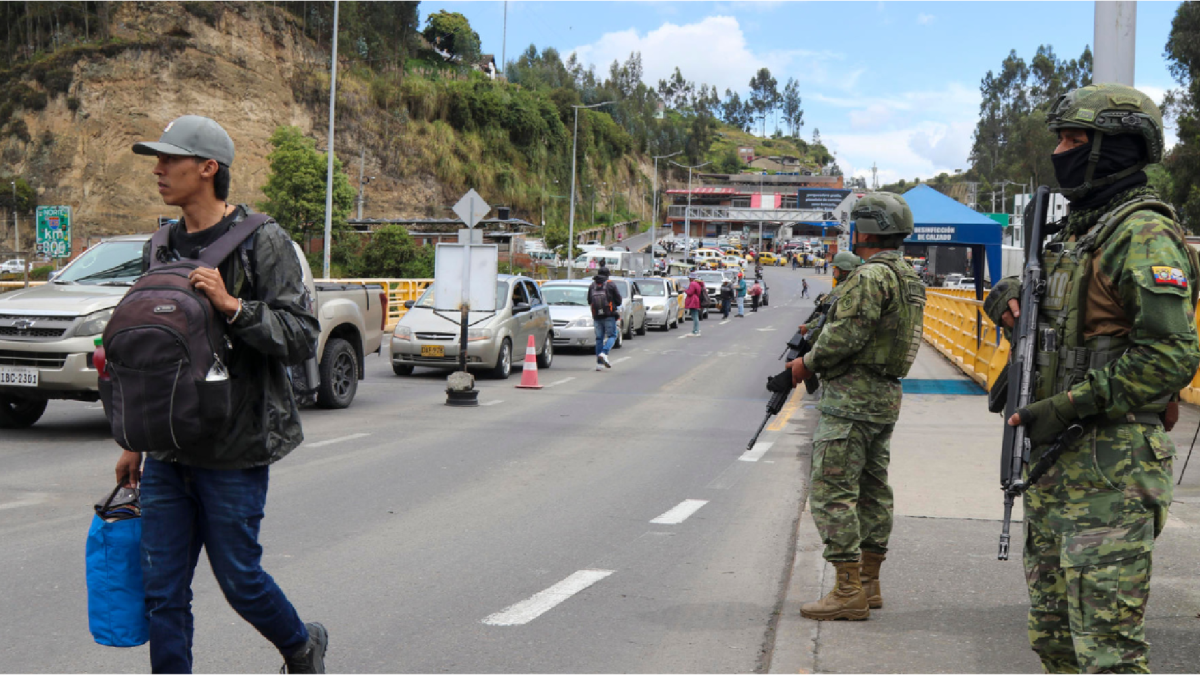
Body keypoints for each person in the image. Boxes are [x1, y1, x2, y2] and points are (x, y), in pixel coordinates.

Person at [984, 83, 1198, 674]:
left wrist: (1068, 406)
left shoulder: (1142, 233)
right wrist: (1008, 295)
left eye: (1073, 139)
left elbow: (1170, 356)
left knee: (1107, 651)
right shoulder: (1079, 232)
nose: (1060, 152)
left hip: (1111, 465)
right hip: (1058, 461)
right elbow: (1054, 305)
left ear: (1116, 147)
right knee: (1054, 638)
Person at [114, 116, 328, 674]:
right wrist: (135, 439)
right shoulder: (159, 246)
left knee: (240, 581)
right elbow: (149, 357)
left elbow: (301, 336)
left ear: (208, 168)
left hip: (236, 446)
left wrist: (233, 307)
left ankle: (301, 646)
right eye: (157, 160)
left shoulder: (263, 240)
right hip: (167, 451)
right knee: (163, 593)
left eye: (170, 159)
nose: (158, 170)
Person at [787, 192, 925, 622]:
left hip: (851, 398)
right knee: (872, 490)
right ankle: (869, 582)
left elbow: (845, 336)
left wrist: (805, 364)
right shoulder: (909, 276)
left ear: (864, 231)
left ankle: (847, 590)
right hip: (884, 396)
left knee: (833, 491)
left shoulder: (870, 276)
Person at [589, 266, 622, 370]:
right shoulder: (610, 284)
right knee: (612, 335)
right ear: (608, 275)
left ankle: (599, 364)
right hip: (609, 315)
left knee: (599, 338)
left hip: (596, 315)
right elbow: (619, 300)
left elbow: (589, 300)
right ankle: (604, 352)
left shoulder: (592, 285)